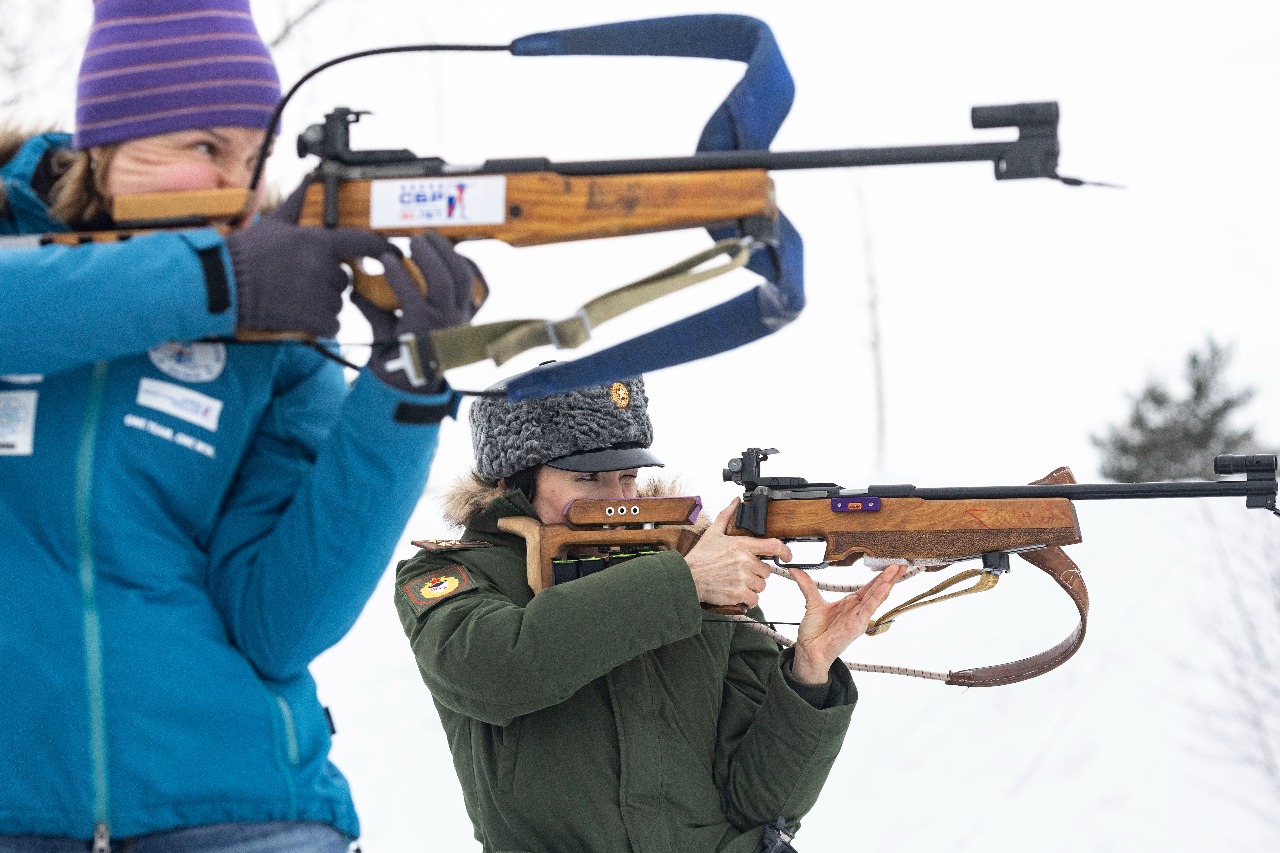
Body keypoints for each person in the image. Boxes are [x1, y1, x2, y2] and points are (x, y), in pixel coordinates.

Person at [0, 1, 483, 850]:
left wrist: (403, 393)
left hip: (243, 807)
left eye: (258, 153)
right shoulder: (215, 282)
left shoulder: (274, 338)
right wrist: (216, 281)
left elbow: (279, 623)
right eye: (205, 147)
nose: (247, 184)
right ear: (106, 145)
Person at [394, 368, 904, 853]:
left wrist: (807, 674)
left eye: (628, 476)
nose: (619, 499)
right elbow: (496, 668)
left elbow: (761, 804)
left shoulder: (693, 568)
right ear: (513, 483)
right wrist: (682, 583)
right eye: (589, 481)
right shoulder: (456, 575)